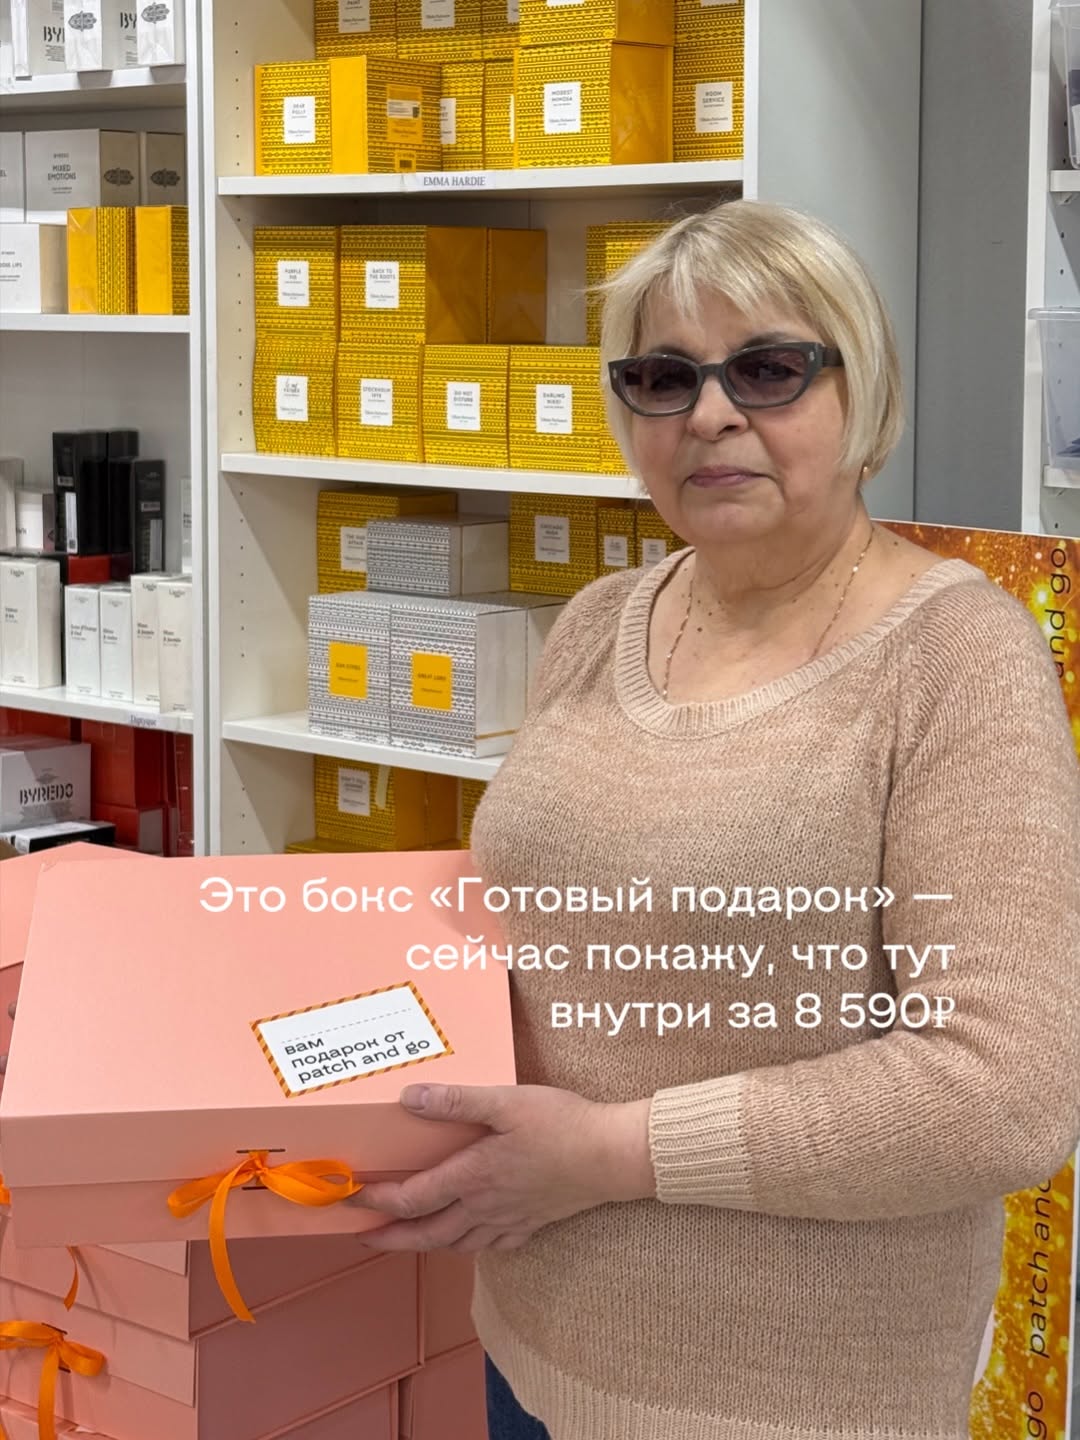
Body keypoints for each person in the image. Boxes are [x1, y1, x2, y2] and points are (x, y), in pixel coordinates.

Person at [352, 200, 1080, 1440]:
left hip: (790, 1400)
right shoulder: (602, 622)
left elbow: (1001, 1091)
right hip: (531, 1341)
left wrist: (605, 1155)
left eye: (768, 369)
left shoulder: (957, 659)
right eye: (661, 378)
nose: (709, 414)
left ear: (862, 390)